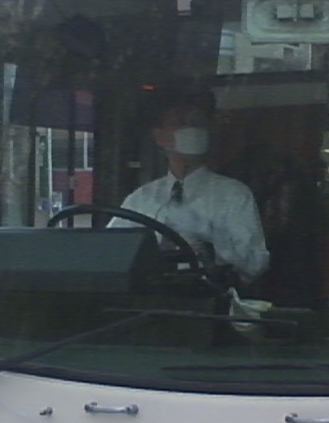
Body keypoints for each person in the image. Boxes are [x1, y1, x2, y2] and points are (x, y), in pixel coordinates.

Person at [112, 96, 269, 284]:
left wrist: (210, 247)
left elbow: (256, 262)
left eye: (198, 123)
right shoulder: (140, 198)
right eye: (181, 122)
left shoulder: (234, 194)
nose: (193, 129)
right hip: (147, 295)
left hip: (207, 294)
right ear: (160, 137)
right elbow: (111, 251)